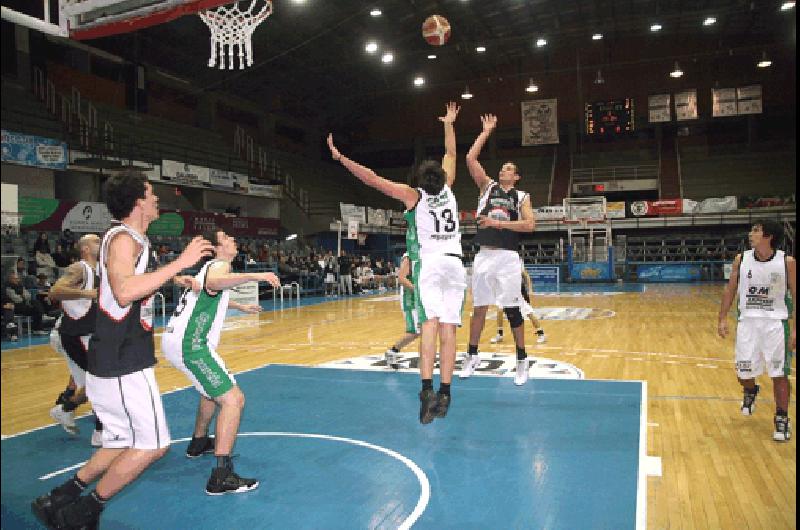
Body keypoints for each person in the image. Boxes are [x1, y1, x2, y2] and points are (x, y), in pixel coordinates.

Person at [31, 169, 213, 529]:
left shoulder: (130, 240)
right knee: (153, 445)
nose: (157, 198)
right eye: (151, 193)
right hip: (122, 361)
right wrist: (181, 261)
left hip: (111, 359)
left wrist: (174, 277)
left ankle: (57, 499)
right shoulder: (123, 239)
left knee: (119, 442)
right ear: (137, 202)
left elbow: (133, 284)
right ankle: (83, 513)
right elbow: (125, 290)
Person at [328, 101, 465, 424]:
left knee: (428, 325)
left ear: (418, 178)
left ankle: (427, 388)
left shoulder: (412, 196)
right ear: (442, 177)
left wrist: (341, 158)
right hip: (456, 263)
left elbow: (373, 179)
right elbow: (452, 153)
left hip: (430, 264)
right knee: (449, 330)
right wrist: (448, 123)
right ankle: (446, 391)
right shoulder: (449, 188)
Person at [162, 229, 281, 494]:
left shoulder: (209, 268)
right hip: (191, 344)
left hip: (180, 341)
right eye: (227, 238)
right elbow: (215, 284)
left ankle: (198, 442)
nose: (234, 240)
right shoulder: (219, 265)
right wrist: (256, 275)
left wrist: (242, 307)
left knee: (211, 393)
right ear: (217, 247)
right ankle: (221, 475)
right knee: (233, 400)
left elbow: (213, 294)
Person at [460, 114, 536, 386]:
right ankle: (472, 355)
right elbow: (470, 159)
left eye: (508, 169)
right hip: (483, 255)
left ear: (516, 177)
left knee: (512, 308)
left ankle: (522, 359)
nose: (503, 170)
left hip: (507, 257)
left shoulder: (522, 196)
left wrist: (497, 223)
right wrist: (486, 132)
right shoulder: (487, 186)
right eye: (502, 167)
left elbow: (530, 225)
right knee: (478, 308)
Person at [718, 220, 796, 442]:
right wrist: (722, 317)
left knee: (779, 374)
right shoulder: (741, 260)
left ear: (768, 236)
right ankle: (750, 390)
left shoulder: (787, 262)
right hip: (748, 323)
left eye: (756, 230)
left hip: (776, 324)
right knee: (743, 374)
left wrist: (795, 329)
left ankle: (781, 418)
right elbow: (730, 288)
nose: (751, 233)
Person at [47, 234, 104, 446]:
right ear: (85, 249)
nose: (101, 243)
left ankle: (64, 409)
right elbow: (55, 291)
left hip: (89, 333)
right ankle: (100, 432)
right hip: (75, 334)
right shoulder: (80, 268)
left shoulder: (100, 269)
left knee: (96, 381)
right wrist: (89, 294)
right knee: (101, 378)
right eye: (96, 241)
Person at [490, 266, 547, 345]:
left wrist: (530, 289)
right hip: (505, 294)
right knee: (499, 310)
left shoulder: (516, 263)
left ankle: (541, 334)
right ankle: (500, 334)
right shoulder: (501, 265)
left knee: (529, 313)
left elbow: (526, 275)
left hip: (517, 293)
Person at [384, 253, 420, 369]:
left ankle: (394, 352)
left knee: (425, 329)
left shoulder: (426, 253)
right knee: (415, 331)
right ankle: (393, 351)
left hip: (420, 299)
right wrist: (417, 290)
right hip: (409, 299)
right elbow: (401, 278)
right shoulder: (409, 255)